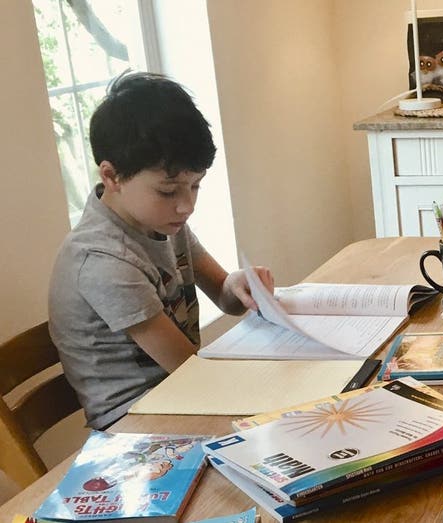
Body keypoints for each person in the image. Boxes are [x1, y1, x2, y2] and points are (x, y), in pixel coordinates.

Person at [48, 72, 274, 430]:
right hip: (135, 427)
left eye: (195, 186)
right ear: (112, 176)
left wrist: (239, 285)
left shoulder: (162, 222)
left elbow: (225, 297)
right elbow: (191, 374)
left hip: (181, 397)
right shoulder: (103, 260)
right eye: (169, 191)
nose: (186, 206)